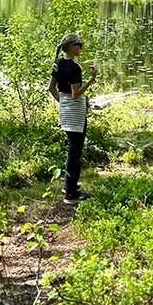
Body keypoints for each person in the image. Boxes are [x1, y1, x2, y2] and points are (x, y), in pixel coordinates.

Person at [48, 32, 96, 204]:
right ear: (72, 47)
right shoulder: (75, 68)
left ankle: (70, 185)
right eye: (79, 44)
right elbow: (76, 94)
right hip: (75, 112)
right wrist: (91, 80)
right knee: (75, 152)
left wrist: (63, 102)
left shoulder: (58, 64)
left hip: (66, 111)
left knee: (72, 149)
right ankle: (70, 194)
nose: (81, 47)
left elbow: (51, 88)